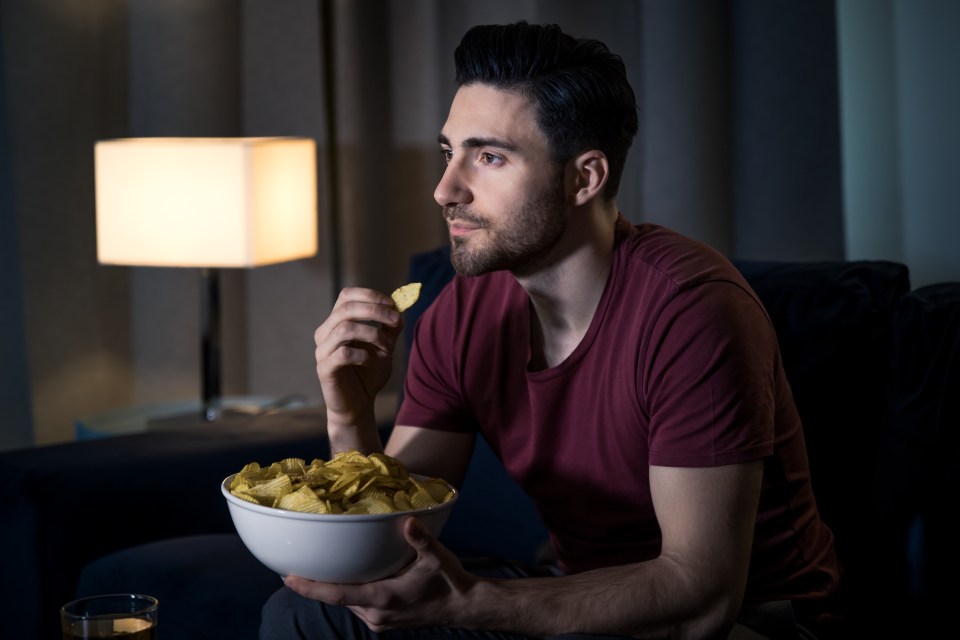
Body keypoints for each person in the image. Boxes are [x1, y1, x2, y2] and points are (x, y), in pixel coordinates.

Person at [261, 20, 843, 640]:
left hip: (751, 622)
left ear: (583, 178)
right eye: (448, 152)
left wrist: (474, 605)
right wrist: (349, 412)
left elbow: (700, 596)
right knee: (308, 613)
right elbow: (394, 544)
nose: (444, 189)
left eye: (488, 157)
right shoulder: (460, 313)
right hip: (576, 594)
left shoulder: (692, 312)